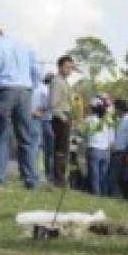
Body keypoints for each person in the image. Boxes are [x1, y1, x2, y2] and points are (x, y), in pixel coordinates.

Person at [0, 24, 41, 188]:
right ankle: (31, 179)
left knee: (1, 136)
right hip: (25, 91)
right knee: (26, 137)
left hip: (5, 91)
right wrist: (31, 86)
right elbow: (37, 69)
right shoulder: (24, 45)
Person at [48, 55, 75, 187]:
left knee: (64, 150)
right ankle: (58, 179)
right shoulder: (57, 81)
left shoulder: (65, 82)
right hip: (60, 118)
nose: (69, 70)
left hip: (66, 116)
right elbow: (53, 104)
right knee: (60, 151)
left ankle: (61, 178)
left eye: (71, 67)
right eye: (67, 67)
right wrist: (63, 118)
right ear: (60, 67)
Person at [81, 95, 114, 195]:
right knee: (103, 177)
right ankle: (104, 196)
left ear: (91, 107)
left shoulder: (89, 120)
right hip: (106, 151)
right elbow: (112, 137)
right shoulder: (108, 120)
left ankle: (96, 195)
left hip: (94, 149)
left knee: (94, 176)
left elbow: (84, 134)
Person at [32, 74, 55, 182]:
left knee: (35, 147)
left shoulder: (36, 89)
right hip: (47, 121)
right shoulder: (47, 91)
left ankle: (32, 171)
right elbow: (48, 105)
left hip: (35, 119)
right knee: (49, 150)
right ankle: (48, 174)